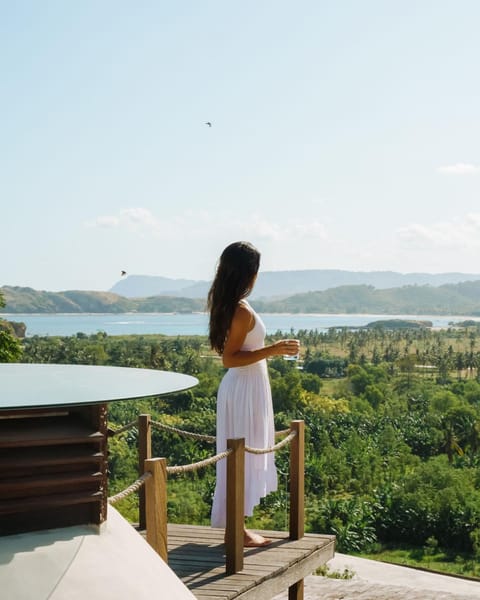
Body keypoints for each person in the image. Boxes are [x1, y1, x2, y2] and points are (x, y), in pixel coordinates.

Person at [208, 241, 300, 547]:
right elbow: (229, 359)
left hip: (247, 388)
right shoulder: (240, 311)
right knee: (239, 458)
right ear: (250, 274)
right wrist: (274, 349)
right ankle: (236, 530)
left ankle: (236, 527)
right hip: (243, 389)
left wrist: (269, 351)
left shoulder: (234, 306)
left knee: (242, 456)